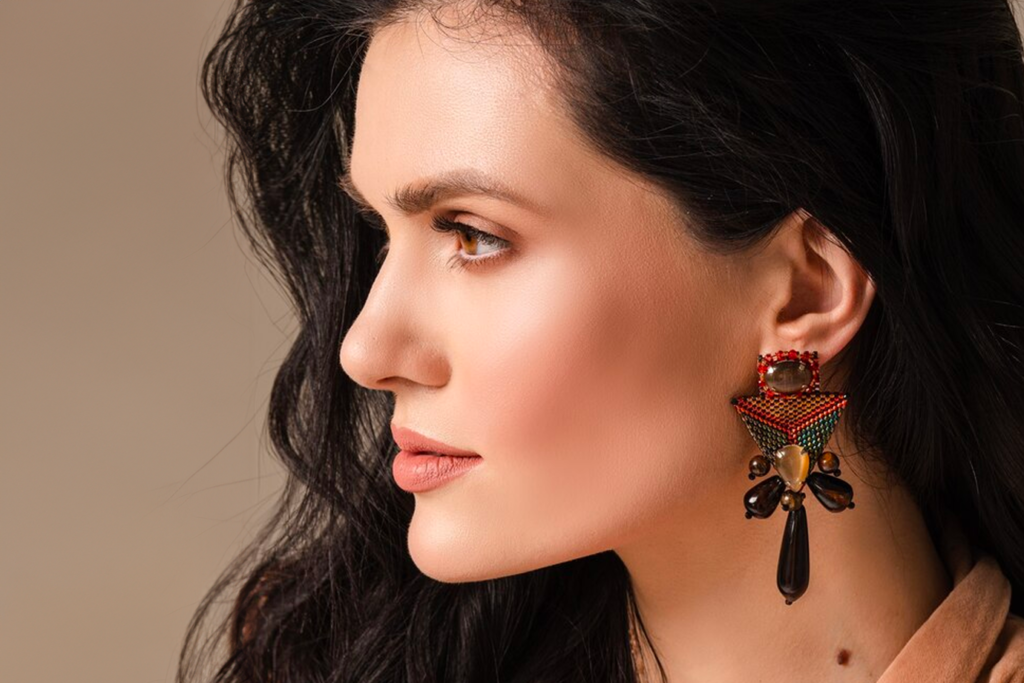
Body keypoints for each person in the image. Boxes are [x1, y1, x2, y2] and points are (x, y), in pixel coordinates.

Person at [177, 1, 1024, 681]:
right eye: (380, 234)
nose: (363, 349)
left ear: (806, 292)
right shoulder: (325, 658)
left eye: (472, 234)